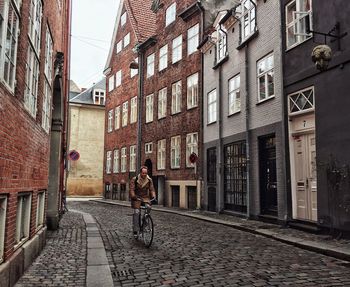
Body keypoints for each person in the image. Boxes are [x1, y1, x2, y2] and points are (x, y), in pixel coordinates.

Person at [129, 166, 156, 238]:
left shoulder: (149, 180)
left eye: (146, 173)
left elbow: (152, 189)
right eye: (143, 173)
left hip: (145, 197)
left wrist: (153, 196)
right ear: (140, 172)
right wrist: (133, 196)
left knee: (148, 208)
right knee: (137, 212)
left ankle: (144, 224)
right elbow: (131, 189)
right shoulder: (135, 179)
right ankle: (135, 230)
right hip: (137, 197)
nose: (144, 174)